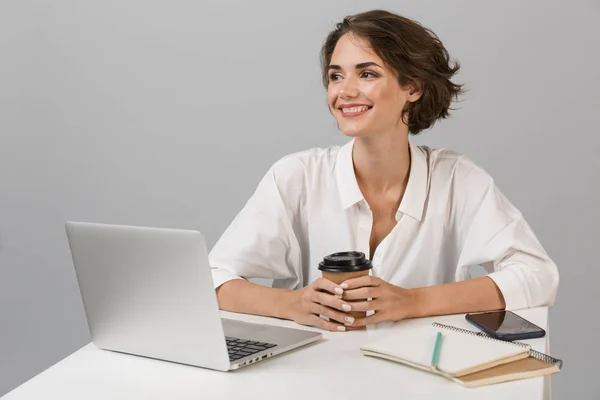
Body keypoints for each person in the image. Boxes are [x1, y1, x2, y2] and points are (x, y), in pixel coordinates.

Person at [208, 10, 559, 332]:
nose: (344, 91)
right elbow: (211, 279)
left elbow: (538, 276)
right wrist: (292, 304)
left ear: (412, 87)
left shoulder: (458, 181)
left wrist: (411, 301)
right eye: (335, 76)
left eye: (367, 73)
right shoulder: (296, 177)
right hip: (312, 376)